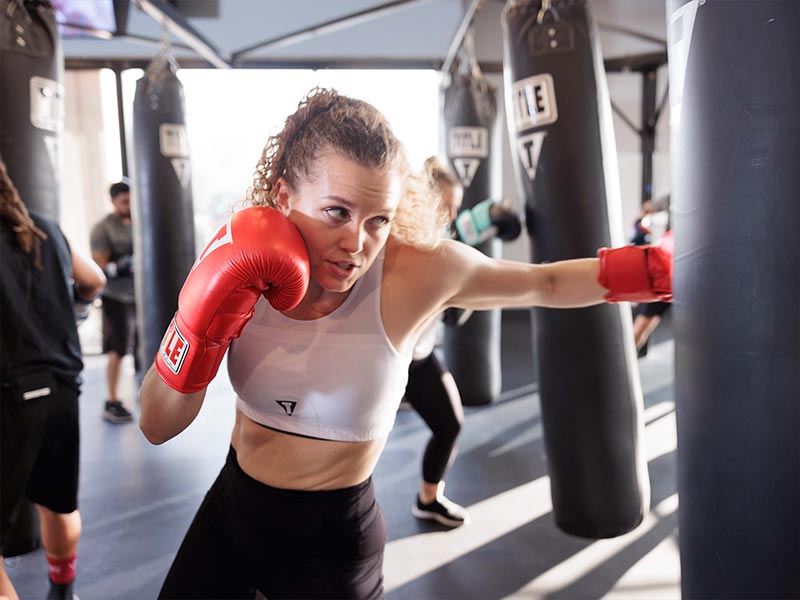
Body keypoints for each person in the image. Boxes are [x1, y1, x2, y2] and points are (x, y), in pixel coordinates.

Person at [138, 87, 672, 599]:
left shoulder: (417, 274)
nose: (357, 244)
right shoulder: (239, 264)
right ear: (284, 194)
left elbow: (544, 281)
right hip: (232, 512)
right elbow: (157, 425)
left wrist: (658, 269)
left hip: (331, 542)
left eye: (379, 220)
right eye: (336, 212)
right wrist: (198, 329)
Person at [1, 161, 106, 600]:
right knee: (60, 503)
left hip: (9, 401)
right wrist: (74, 308)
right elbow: (94, 280)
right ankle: (63, 593)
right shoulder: (45, 229)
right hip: (62, 390)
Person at [406, 156, 522, 528]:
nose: (450, 215)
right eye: (445, 206)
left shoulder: (447, 239)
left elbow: (455, 311)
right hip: (389, 359)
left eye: (454, 208)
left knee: (450, 424)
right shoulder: (403, 244)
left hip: (419, 356)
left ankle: (429, 499)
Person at [90, 179, 136, 423]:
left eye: (132, 200)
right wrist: (121, 266)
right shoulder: (104, 228)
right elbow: (98, 268)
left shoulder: (141, 221)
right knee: (118, 349)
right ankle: (111, 399)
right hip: (117, 297)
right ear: (114, 201)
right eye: (124, 201)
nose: (129, 205)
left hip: (142, 296)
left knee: (148, 345)